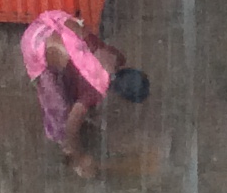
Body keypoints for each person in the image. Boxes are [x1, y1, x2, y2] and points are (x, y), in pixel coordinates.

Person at [20, 9, 146, 178]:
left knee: (73, 77)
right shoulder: (94, 89)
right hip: (35, 45)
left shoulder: (113, 56)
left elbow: (89, 44)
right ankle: (61, 145)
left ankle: (71, 90)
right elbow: (71, 125)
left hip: (49, 26)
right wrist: (79, 158)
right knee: (59, 109)